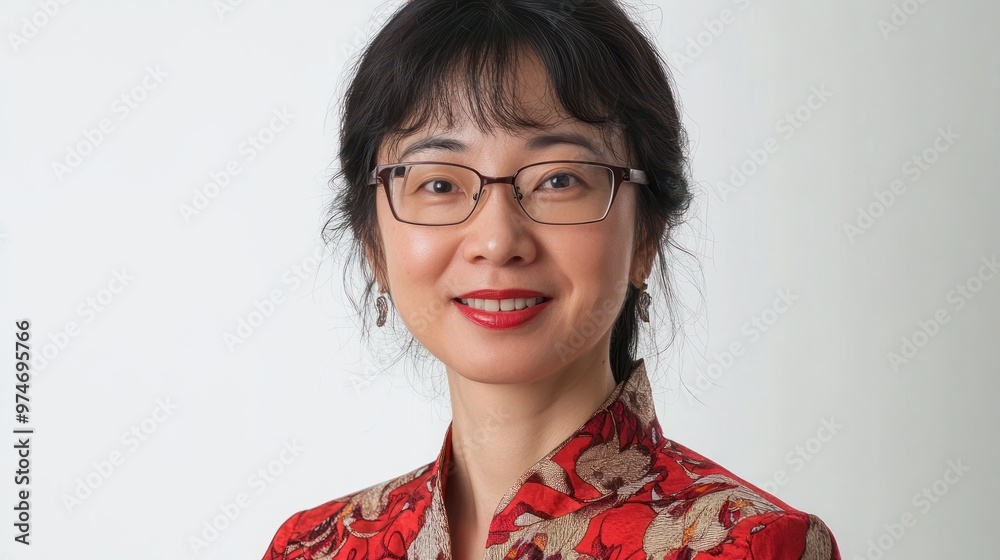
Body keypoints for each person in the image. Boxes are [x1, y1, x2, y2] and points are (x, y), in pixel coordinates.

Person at [262, 0, 842, 558]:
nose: (497, 241)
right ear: (374, 246)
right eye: (438, 183)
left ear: (645, 235)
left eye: (559, 179)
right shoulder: (316, 548)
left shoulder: (752, 548)